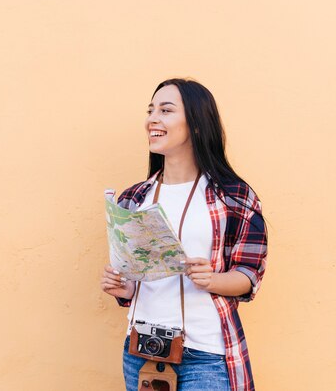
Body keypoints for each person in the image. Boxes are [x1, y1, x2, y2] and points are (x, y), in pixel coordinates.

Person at [100, 78, 267, 391]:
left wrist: (213, 278)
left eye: (166, 110)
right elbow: (133, 279)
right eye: (151, 110)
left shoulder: (234, 196)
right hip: (141, 353)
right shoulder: (133, 198)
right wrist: (122, 287)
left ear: (198, 124)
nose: (152, 119)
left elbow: (249, 274)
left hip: (206, 354)